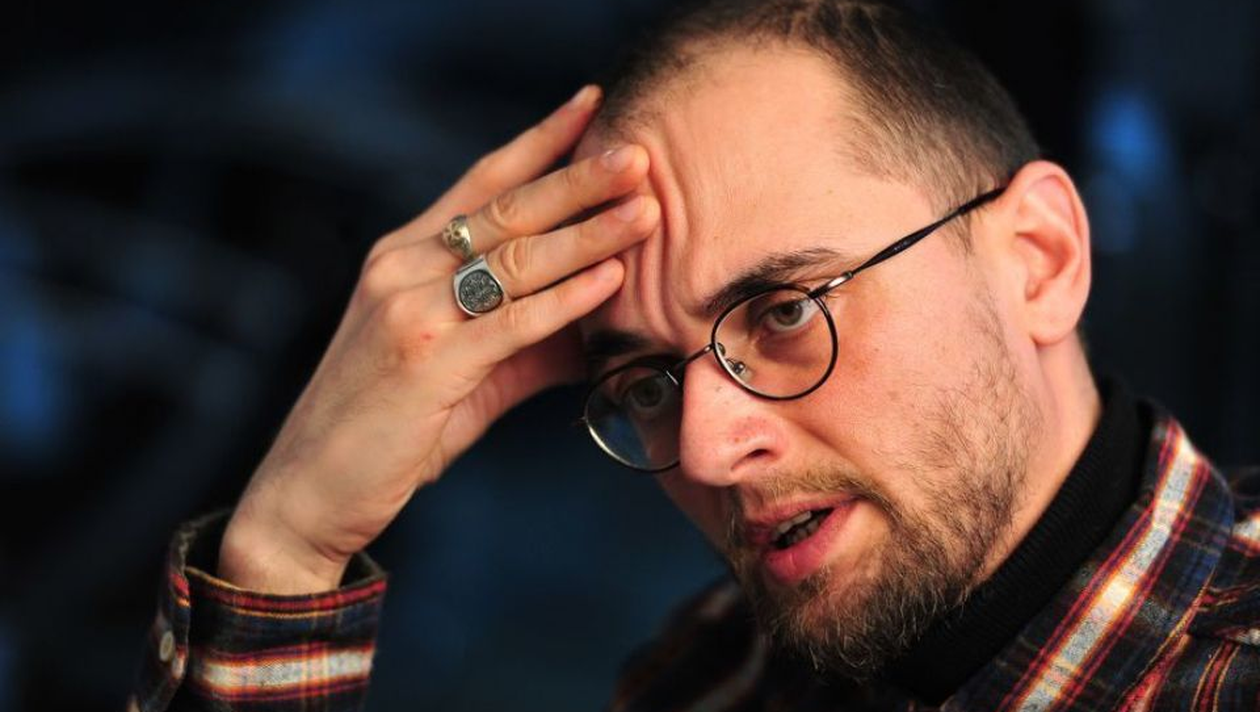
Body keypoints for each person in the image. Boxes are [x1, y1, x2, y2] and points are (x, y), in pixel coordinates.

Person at [128, 1, 1260, 710]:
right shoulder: (715, 675)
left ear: (1040, 260)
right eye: (647, 383)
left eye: (783, 311)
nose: (709, 450)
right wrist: (288, 548)